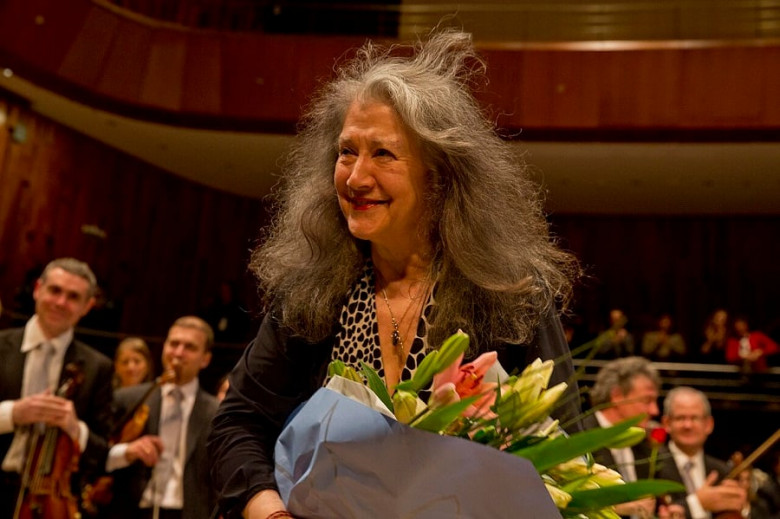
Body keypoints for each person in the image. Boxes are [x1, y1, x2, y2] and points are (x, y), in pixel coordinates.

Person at [208, 29, 581, 519]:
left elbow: (564, 458)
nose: (356, 177)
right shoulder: (310, 292)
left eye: (382, 154)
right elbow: (237, 425)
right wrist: (270, 512)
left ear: (440, 174)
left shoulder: (510, 295)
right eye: (346, 151)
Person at [0, 258, 114, 516]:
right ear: (37, 289)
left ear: (87, 306)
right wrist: (12, 414)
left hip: (52, 503)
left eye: (73, 297)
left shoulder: (98, 367)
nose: (61, 302)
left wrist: (75, 429)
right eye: (55, 290)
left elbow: (102, 454)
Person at [105, 316, 218, 519]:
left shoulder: (217, 412)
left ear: (205, 359)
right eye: (173, 344)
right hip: (133, 510)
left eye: (190, 347)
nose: (178, 353)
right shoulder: (127, 399)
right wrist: (127, 451)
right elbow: (98, 452)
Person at [583, 356, 662, 518]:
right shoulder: (579, 437)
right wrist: (615, 507)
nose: (655, 410)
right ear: (617, 396)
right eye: (647, 400)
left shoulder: (644, 445)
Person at [655, 386, 747, 518]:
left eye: (695, 418)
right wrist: (698, 504)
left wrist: (741, 504)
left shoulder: (722, 471)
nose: (688, 425)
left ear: (709, 424)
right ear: (666, 423)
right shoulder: (652, 466)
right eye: (680, 418)